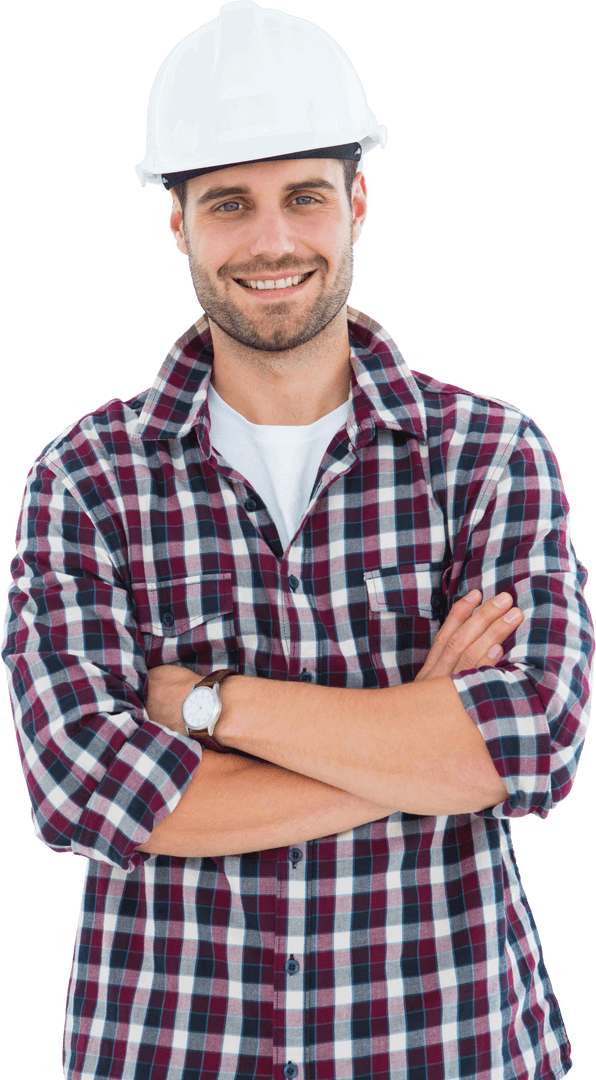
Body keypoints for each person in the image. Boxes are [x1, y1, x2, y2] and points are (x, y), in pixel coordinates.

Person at [2, 2, 593, 1078]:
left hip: (447, 1046)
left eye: (303, 196)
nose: (272, 240)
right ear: (177, 221)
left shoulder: (488, 456)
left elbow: (530, 743)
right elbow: (83, 787)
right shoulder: (85, 481)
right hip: (173, 1049)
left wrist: (200, 706)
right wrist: (418, 745)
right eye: (229, 203)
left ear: (357, 203)